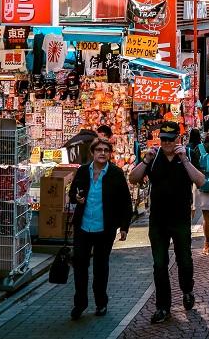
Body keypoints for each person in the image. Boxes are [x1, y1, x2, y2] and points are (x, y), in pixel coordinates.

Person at [128, 122, 206, 324]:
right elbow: (133, 178)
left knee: (184, 260)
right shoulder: (154, 158)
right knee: (159, 264)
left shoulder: (187, 154)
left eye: (170, 140)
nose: (167, 144)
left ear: (178, 139)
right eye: (163, 140)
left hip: (180, 219)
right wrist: (145, 161)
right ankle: (163, 307)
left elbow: (201, 181)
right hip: (158, 221)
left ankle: (187, 289)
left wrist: (185, 160)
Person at [67, 137, 133, 320]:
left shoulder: (115, 173)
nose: (102, 153)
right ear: (92, 153)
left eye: (105, 150)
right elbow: (72, 193)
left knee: (100, 267)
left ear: (109, 153)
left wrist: (124, 226)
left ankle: (101, 302)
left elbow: (125, 202)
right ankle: (80, 303)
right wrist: (76, 198)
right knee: (80, 266)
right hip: (83, 227)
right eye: (99, 150)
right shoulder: (82, 171)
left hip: (105, 228)